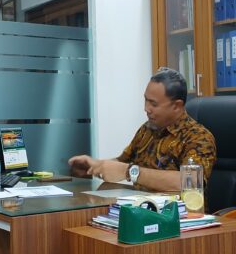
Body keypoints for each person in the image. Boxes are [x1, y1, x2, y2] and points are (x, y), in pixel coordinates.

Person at [68, 67, 215, 192]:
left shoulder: (199, 138)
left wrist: (129, 172)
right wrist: (95, 165)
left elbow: (191, 183)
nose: (146, 109)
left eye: (153, 104)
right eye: (146, 100)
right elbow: (122, 162)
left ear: (177, 106)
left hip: (180, 217)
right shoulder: (147, 129)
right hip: (141, 211)